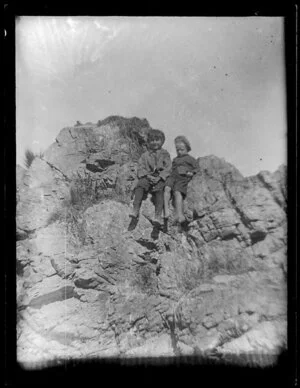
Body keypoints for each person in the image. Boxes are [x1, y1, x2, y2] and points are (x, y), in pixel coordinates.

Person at [129, 129, 172, 225]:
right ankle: (135, 209)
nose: (154, 142)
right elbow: (140, 167)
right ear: (148, 142)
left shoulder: (165, 154)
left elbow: (168, 167)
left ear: (162, 141)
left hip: (159, 177)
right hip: (147, 176)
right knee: (140, 185)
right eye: (152, 140)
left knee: (159, 190)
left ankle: (157, 216)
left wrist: (160, 177)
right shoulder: (145, 155)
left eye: (157, 140)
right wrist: (147, 176)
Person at [164, 135, 198, 224]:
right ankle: (166, 210)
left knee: (177, 192)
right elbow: (171, 169)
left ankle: (180, 214)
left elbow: (196, 168)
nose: (179, 152)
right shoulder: (175, 159)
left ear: (187, 148)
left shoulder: (190, 159)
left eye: (181, 149)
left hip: (182, 178)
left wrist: (191, 173)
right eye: (177, 150)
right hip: (173, 177)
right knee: (167, 188)